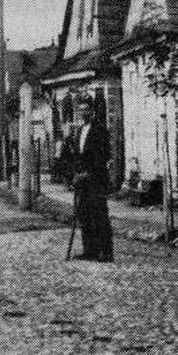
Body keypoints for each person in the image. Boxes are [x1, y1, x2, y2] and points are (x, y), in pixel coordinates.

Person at [72, 95, 113, 262]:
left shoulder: (100, 130)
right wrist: (76, 174)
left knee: (99, 215)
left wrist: (89, 173)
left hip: (96, 180)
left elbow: (103, 156)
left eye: (87, 109)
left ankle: (105, 251)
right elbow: (77, 156)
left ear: (93, 111)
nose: (84, 113)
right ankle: (90, 250)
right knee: (84, 214)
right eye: (81, 110)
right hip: (82, 181)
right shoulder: (80, 131)